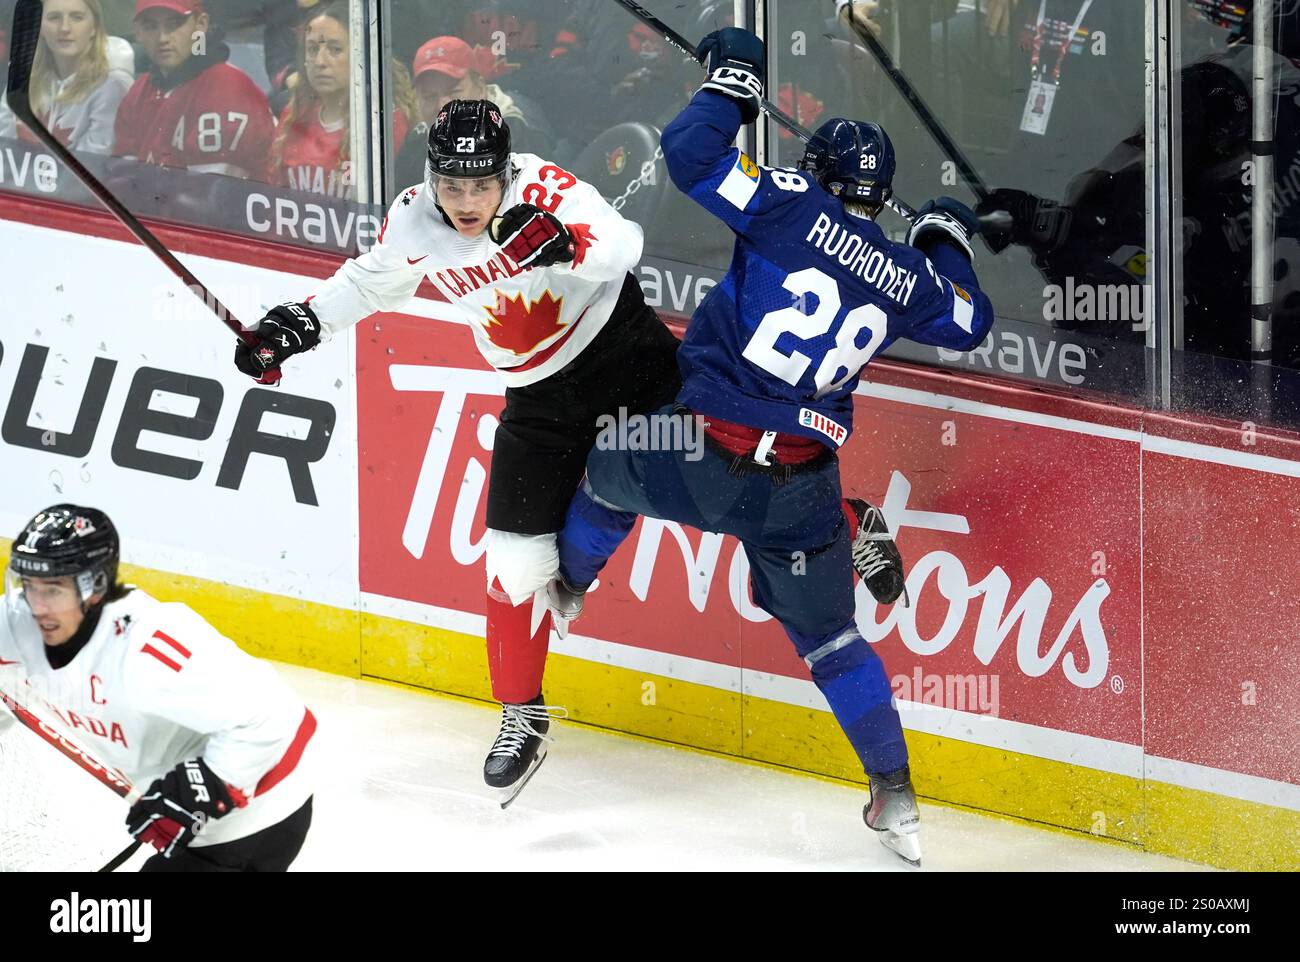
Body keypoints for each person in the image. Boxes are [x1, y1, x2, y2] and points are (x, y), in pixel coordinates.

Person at [233, 97, 908, 808]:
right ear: (433, 177)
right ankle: (522, 715)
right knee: (516, 564)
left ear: (506, 170)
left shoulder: (547, 189)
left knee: (739, 486)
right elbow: (371, 280)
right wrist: (296, 325)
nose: (467, 202)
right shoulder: (415, 220)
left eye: (481, 185)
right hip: (541, 406)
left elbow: (623, 244)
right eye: (452, 185)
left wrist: (564, 242)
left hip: (635, 371)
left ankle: (849, 520)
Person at [549, 27, 995, 864]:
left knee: (607, 465)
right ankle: (895, 796)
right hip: (794, 489)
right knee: (831, 642)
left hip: (690, 451)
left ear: (818, 176)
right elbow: (970, 320)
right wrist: (943, 236)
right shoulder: (908, 278)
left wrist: (736, 79)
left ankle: (570, 588)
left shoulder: (790, 202)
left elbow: (689, 152)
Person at [0, 505, 316, 871]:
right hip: (188, 827)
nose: (37, 606)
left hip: (257, 820)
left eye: (53, 589)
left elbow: (279, 718)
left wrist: (199, 792)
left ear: (95, 587)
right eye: (30, 586)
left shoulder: (148, 645)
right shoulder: (22, 620)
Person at [112, 0, 274, 179]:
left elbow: (213, 198)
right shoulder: (139, 91)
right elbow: (121, 181)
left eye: (174, 24)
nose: (163, 38)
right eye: (150, 26)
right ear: (138, 33)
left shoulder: (228, 90)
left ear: (201, 24)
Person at [273, 0, 418, 199]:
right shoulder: (293, 115)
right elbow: (272, 196)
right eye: (313, 49)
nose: (320, 62)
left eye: (335, 49)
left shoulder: (385, 122)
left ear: (361, 54)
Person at [393, 34, 554, 187]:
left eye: (454, 92)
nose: (442, 105)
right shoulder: (417, 142)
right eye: (429, 96)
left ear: (480, 88)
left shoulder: (519, 137)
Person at [1, 0, 130, 154]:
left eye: (77, 17)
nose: (64, 28)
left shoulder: (112, 85)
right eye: (54, 18)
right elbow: (3, 143)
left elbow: (92, 165)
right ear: (39, 26)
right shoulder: (23, 76)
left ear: (95, 27)